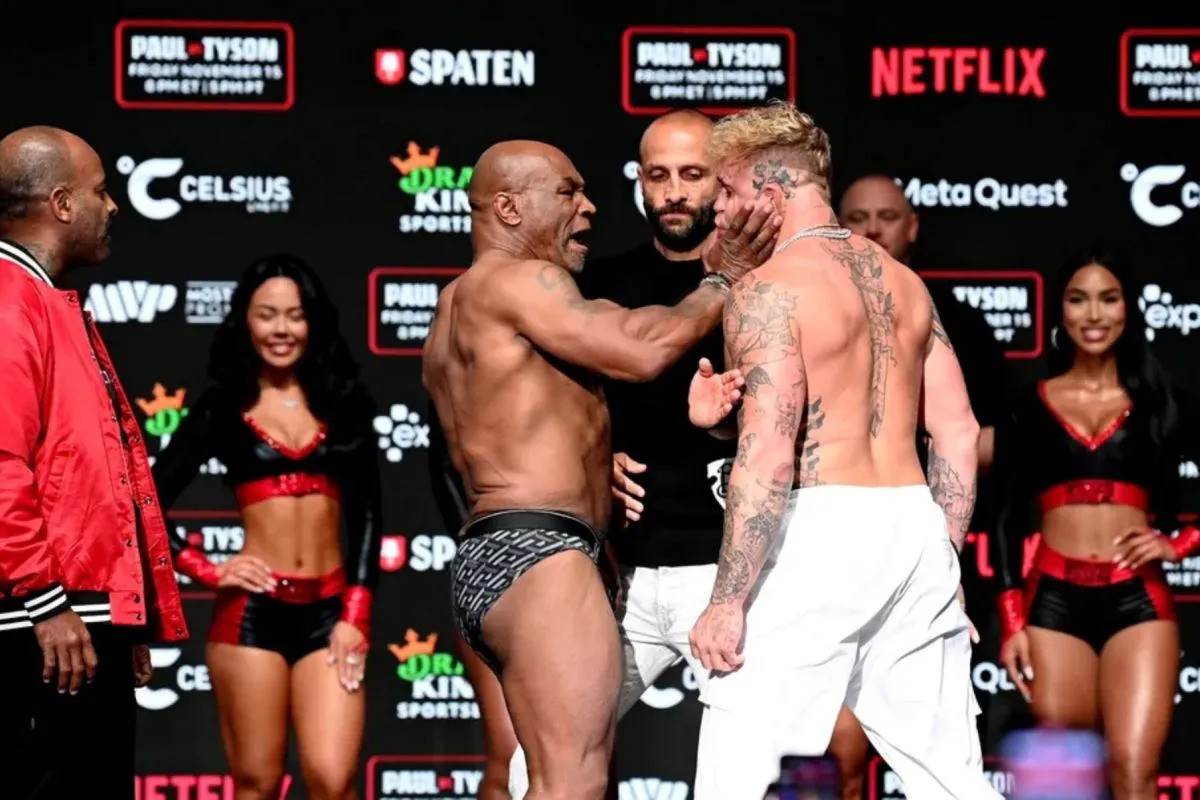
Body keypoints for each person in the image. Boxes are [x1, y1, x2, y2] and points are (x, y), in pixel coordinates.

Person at [505, 108, 869, 800]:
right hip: (621, 579)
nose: (673, 191)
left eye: (693, 175)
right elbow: (538, 412)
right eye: (658, 174)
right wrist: (591, 459)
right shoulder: (595, 285)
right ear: (638, 180)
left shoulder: (778, 282)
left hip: (733, 577)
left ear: (725, 180)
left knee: (752, 777)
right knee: (538, 769)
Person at [422, 138, 777, 799]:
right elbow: (640, 350)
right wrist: (724, 277)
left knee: (551, 778)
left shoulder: (456, 304)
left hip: (492, 555)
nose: (589, 207)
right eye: (568, 192)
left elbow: (618, 333)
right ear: (508, 207)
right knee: (575, 783)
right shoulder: (520, 282)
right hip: (542, 556)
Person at [683, 101, 1000, 800]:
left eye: (727, 191)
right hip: (915, 526)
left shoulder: (768, 290)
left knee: (739, 773)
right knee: (951, 781)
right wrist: (943, 556)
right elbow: (957, 431)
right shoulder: (905, 284)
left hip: (819, 531)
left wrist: (727, 601)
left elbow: (769, 454)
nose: (719, 213)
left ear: (768, 188)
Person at [151, 254, 383, 800]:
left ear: (313, 322)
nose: (282, 329)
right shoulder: (221, 408)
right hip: (250, 618)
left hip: (330, 614)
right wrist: (205, 569)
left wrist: (355, 616)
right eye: (267, 315)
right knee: (257, 783)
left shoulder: (345, 403)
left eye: (295, 316)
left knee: (333, 778)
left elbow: (369, 515)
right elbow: (147, 501)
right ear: (245, 321)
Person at [0, 125, 187, 799]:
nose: (113, 206)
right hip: (45, 626)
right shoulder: (9, 300)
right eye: (100, 191)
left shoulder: (42, 298)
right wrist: (46, 605)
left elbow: (89, 473)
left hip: (81, 618)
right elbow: (1, 463)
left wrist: (125, 613)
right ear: (60, 204)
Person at [990, 247, 1198, 800]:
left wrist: (1182, 543)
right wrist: (1011, 621)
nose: (1094, 314)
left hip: (1139, 602)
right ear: (1060, 311)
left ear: (1129, 307)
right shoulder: (1028, 405)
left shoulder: (1162, 402)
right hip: (1053, 603)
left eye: (1109, 298)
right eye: (1078, 300)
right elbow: (1006, 515)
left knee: (1135, 773)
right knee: (1065, 784)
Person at [839, 173, 1008, 472]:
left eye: (888, 217)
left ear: (912, 227)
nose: (873, 229)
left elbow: (996, 435)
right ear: (838, 229)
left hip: (926, 488)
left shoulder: (959, 323)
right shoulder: (810, 309)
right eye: (858, 218)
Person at [427, 405, 520, 800]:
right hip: (493, 573)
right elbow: (444, 465)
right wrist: (488, 553)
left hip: (577, 569)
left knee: (590, 758)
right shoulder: (464, 371)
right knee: (511, 755)